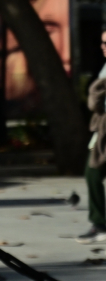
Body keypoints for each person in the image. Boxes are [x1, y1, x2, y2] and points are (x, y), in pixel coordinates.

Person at [78, 27, 106, 245]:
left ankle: (100, 223)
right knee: (92, 172)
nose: (103, 47)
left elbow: (94, 100)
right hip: (102, 128)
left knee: (94, 172)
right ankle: (99, 222)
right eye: (103, 43)